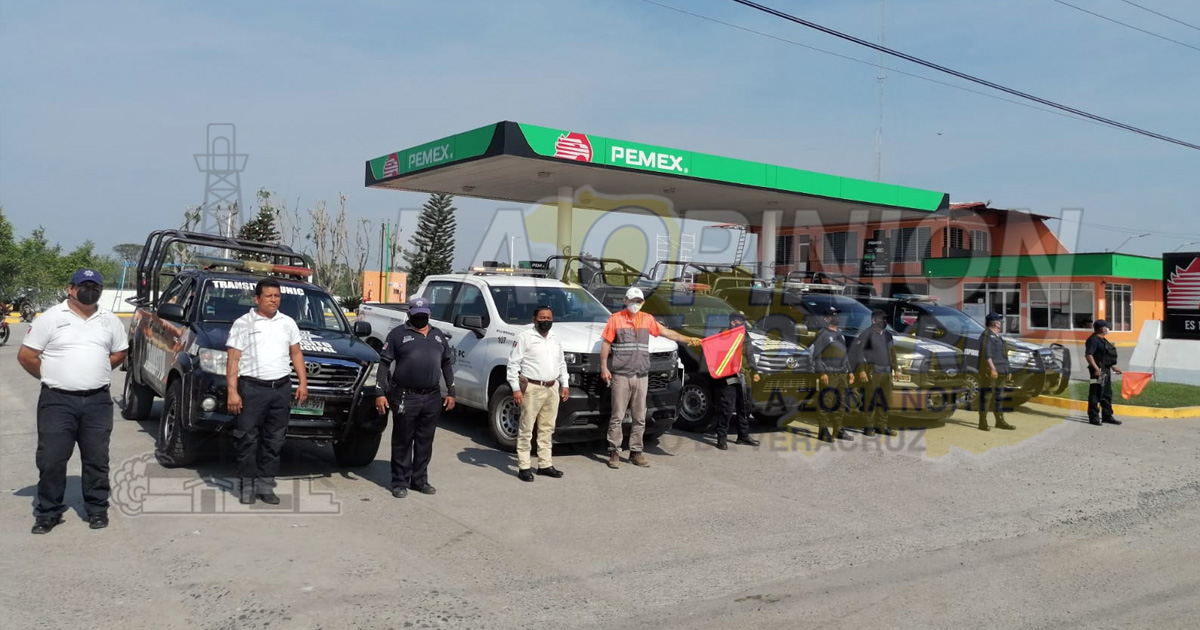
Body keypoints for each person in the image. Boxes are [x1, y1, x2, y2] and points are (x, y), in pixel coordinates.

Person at [17, 269, 128, 534]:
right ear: (71, 289)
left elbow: (119, 352)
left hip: (98, 401)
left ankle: (97, 509)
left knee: (96, 459)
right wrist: (51, 376)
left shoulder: (109, 320)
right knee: (52, 459)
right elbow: (27, 355)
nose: (90, 289)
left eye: (95, 285)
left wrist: (94, 371)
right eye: (84, 285)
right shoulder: (52, 318)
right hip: (57, 401)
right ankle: (48, 512)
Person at [226, 278, 309, 505]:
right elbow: (233, 359)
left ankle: (265, 486)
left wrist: (302, 382)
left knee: (274, 441)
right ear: (257, 299)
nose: (274, 300)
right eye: (269, 296)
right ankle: (247, 487)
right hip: (252, 388)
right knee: (247, 439)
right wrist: (232, 392)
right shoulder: (243, 324)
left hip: (280, 388)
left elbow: (296, 354)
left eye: (277, 296)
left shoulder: (288, 323)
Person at [600, 286, 701, 469]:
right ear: (625, 301)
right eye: (632, 301)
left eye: (639, 302)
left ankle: (636, 452)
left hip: (641, 375)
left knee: (639, 417)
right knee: (617, 416)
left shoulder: (647, 319)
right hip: (621, 376)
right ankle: (614, 452)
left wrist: (686, 339)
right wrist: (603, 368)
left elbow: (666, 332)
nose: (635, 304)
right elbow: (606, 343)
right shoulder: (615, 319)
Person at [376, 296, 455, 497]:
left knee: (424, 441)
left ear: (429, 314)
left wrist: (451, 392)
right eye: (416, 315)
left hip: (432, 396)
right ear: (409, 314)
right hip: (405, 396)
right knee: (403, 440)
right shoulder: (398, 335)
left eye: (424, 315)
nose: (420, 318)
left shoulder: (438, 336)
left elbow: (446, 363)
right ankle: (399, 482)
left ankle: (419, 480)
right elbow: (384, 363)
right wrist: (380, 392)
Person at [507, 305, 569, 481]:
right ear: (534, 319)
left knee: (547, 428)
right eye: (542, 318)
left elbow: (561, 363)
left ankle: (545, 464)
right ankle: (524, 466)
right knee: (526, 428)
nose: (546, 321)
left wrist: (564, 383)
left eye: (549, 318)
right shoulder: (525, 337)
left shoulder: (555, 338)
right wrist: (516, 389)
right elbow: (513, 364)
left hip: (552, 387)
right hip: (532, 388)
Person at [713, 312, 760, 450]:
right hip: (730, 376)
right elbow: (718, 355)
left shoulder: (746, 336)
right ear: (733, 322)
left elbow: (750, 355)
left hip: (745, 377)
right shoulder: (724, 335)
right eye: (740, 320)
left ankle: (743, 436)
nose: (743, 323)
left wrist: (755, 371)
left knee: (745, 407)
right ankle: (721, 437)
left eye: (744, 321)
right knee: (727, 407)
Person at [850, 309, 899, 437]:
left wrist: (897, 369)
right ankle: (868, 427)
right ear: (874, 320)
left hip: (886, 372)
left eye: (885, 319)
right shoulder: (867, 334)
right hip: (873, 372)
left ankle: (881, 426)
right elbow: (860, 354)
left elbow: (892, 353)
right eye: (882, 319)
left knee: (885, 400)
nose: (885, 322)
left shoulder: (888, 335)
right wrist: (861, 371)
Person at [810, 306, 855, 443]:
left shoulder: (840, 333)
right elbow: (816, 355)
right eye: (832, 315)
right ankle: (823, 431)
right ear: (826, 318)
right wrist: (822, 373)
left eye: (837, 314)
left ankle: (838, 429)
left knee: (841, 404)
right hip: (829, 374)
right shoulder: (822, 334)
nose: (836, 317)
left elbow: (845, 354)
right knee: (826, 402)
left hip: (842, 374)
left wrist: (850, 371)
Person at [976, 312, 1016, 431]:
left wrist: (1008, 370)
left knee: (999, 397)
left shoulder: (998, 337)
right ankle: (982, 422)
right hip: (991, 372)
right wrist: (992, 369)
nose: (1001, 323)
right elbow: (987, 354)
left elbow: (1004, 354)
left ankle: (1000, 421)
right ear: (994, 323)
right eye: (999, 321)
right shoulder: (986, 336)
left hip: (1002, 371)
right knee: (987, 396)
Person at [1085, 319, 1123, 426]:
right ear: (1102, 329)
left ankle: (1107, 415)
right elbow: (1089, 355)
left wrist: (1113, 367)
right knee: (1095, 392)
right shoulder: (1093, 340)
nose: (1109, 329)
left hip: (1105, 370)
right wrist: (1096, 369)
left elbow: (1104, 357)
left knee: (1106, 393)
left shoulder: (1103, 340)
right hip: (1097, 371)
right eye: (1107, 327)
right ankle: (1094, 417)